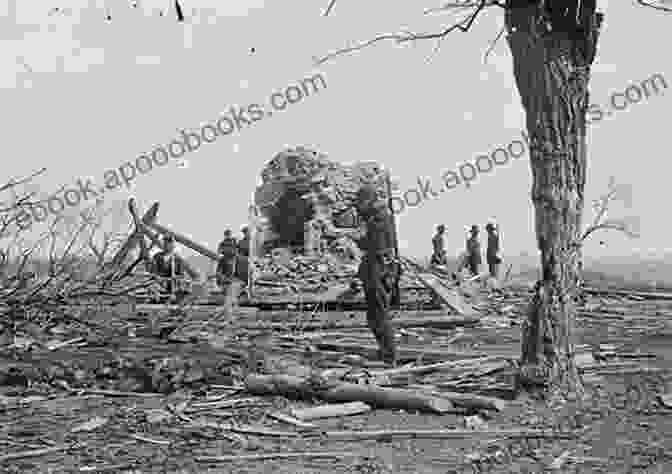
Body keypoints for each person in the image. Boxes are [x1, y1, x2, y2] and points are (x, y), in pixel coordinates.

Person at [354, 184, 398, 366]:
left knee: (379, 315)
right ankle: (385, 353)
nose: (358, 207)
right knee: (376, 316)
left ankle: (388, 357)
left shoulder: (379, 219)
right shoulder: (379, 217)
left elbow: (372, 248)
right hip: (380, 268)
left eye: (360, 203)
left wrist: (352, 237)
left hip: (378, 269)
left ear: (368, 201)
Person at [151, 235, 187, 299]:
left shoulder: (177, 259)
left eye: (169, 242)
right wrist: (158, 278)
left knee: (181, 290)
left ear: (173, 245)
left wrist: (176, 278)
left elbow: (181, 275)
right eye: (165, 242)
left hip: (173, 285)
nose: (166, 244)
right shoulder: (157, 257)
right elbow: (153, 272)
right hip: (159, 285)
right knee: (154, 289)